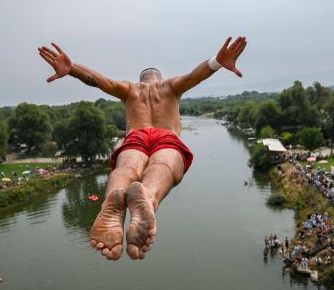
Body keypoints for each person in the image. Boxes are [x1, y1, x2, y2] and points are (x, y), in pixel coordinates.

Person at [38, 37, 248, 260]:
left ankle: (114, 202)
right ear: (159, 77)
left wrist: (72, 70)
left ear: (141, 79)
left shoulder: (129, 89)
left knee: (127, 169)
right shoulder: (170, 85)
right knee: (164, 165)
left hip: (136, 136)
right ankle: (146, 197)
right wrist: (216, 61)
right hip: (166, 136)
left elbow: (99, 80)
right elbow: (193, 77)